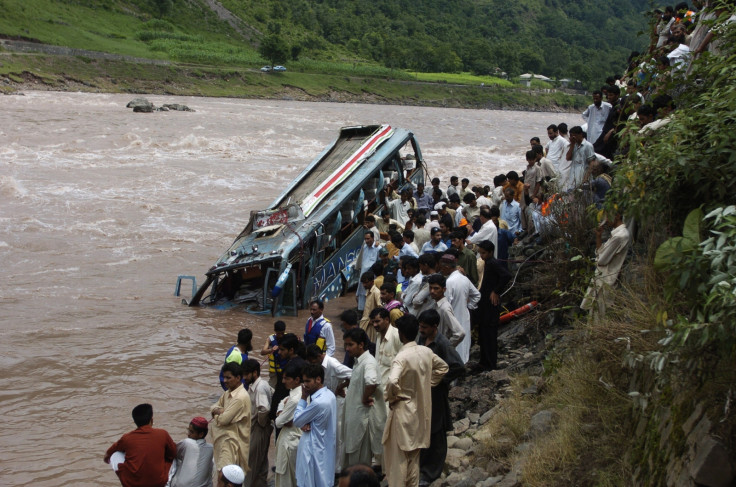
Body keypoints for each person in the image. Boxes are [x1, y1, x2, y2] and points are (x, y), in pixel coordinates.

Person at [382, 315, 448, 487]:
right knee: (414, 458)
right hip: (421, 411)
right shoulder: (426, 352)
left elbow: (392, 381)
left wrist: (392, 396)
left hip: (403, 411)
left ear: (401, 334)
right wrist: (427, 384)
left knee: (399, 460)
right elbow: (443, 368)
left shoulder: (401, 357)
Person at [416, 312, 465, 486]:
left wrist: (439, 381)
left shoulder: (443, 344)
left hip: (436, 393)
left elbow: (458, 367)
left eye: (424, 327)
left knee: (436, 430)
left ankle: (431, 472)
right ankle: (422, 467)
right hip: (423, 393)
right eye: (420, 326)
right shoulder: (422, 340)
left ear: (434, 327)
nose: (421, 330)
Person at [104, 403, 177, 487]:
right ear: (151, 420)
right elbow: (173, 453)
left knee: (115, 454)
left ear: (135, 422)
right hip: (159, 483)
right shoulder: (162, 434)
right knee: (174, 455)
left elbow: (108, 454)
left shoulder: (126, 438)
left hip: (131, 484)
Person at [306, 344, 352, 473]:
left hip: (338, 402)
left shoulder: (333, 364)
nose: (312, 364)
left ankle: (337, 468)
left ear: (319, 356)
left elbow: (353, 374)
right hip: (327, 401)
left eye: (312, 361)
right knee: (328, 434)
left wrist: (341, 386)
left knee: (337, 435)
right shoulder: (319, 367)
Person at [343, 327, 382, 468]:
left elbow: (371, 382)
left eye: (350, 344)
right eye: (346, 345)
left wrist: (365, 398)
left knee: (359, 463)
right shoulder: (359, 361)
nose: (347, 349)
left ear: (361, 345)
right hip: (354, 419)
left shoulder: (368, 362)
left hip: (361, 420)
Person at [294, 363, 338, 487]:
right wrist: (307, 421)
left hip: (312, 449)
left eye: (307, 381)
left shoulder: (318, 402)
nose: (305, 385)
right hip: (324, 447)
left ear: (318, 379)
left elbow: (297, 420)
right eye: (304, 381)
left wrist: (303, 397)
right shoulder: (330, 395)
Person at [580, 214, 631, 318]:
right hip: (603, 279)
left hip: (605, 281)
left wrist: (599, 257)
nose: (606, 220)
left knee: (599, 316)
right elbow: (600, 253)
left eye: (608, 216)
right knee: (597, 314)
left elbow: (601, 261)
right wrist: (598, 236)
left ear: (616, 216)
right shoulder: (617, 234)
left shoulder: (620, 236)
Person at [210, 362, 250, 487]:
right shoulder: (228, 393)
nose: (225, 381)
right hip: (223, 441)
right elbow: (213, 407)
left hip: (231, 443)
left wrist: (217, 413)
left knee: (224, 478)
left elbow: (223, 420)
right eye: (224, 377)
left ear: (238, 378)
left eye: (228, 377)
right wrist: (218, 411)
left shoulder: (240, 397)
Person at [476, 241, 512, 371]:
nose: (482, 256)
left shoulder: (493, 263)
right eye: (480, 253)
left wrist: (496, 291)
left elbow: (507, 275)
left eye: (484, 253)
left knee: (489, 335)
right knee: (484, 334)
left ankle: (490, 364)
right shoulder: (488, 263)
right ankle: (484, 362)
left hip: (491, 306)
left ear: (491, 252)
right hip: (485, 304)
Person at [439, 253, 480, 363]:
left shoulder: (449, 282)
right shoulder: (464, 278)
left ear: (447, 267)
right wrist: (468, 307)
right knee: (464, 344)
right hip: (464, 316)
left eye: (442, 267)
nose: (441, 270)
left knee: (454, 345)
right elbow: (477, 295)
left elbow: (446, 303)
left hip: (452, 318)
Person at [241, 360, 273, 487]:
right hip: (258, 428)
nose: (244, 378)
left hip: (258, 428)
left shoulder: (259, 388)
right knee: (261, 463)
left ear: (255, 373)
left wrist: (261, 423)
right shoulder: (261, 385)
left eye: (246, 374)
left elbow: (264, 408)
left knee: (250, 464)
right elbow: (273, 393)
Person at [274, 364, 304, 487]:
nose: (283, 381)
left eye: (287, 378)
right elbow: (282, 402)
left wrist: (281, 411)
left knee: (286, 478)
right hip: (296, 438)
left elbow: (278, 422)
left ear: (297, 380)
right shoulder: (301, 392)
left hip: (289, 441)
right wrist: (282, 409)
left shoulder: (294, 399)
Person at [170, 417, 214, 487]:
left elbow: (173, 452)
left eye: (191, 432)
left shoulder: (187, 443)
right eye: (189, 431)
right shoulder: (211, 448)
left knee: (174, 458)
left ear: (201, 434)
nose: (188, 434)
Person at [427, 275, 465, 347]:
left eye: (436, 288)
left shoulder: (444, 308)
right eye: (430, 288)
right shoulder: (435, 304)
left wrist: (446, 347)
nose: (432, 291)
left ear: (444, 289)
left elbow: (460, 333)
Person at [562, 126, 596, 192]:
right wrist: (572, 144)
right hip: (573, 178)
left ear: (580, 135)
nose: (572, 138)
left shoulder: (588, 145)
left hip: (583, 177)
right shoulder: (574, 145)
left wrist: (586, 178)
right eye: (571, 136)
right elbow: (568, 158)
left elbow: (592, 163)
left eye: (574, 136)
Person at [355, 231, 382, 313]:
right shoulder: (365, 247)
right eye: (365, 239)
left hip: (372, 277)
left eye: (368, 239)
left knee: (370, 295)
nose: (366, 241)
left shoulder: (378, 248)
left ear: (373, 238)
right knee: (361, 295)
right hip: (363, 275)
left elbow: (379, 263)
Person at [260, 321, 287, 389]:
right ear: (275, 331)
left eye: (282, 333)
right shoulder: (270, 339)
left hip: (285, 369)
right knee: (271, 388)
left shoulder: (287, 337)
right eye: (278, 333)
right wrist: (271, 350)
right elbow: (262, 352)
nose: (281, 335)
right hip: (274, 371)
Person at [358, 271, 382, 343]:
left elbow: (380, 307)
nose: (364, 285)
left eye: (366, 282)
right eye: (363, 283)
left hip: (371, 325)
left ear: (372, 281)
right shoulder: (368, 291)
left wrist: (374, 320)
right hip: (366, 323)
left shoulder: (376, 292)